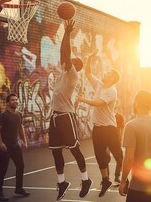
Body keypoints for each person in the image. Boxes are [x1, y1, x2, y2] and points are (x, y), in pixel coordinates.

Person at [48, 19, 92, 201]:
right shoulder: (64, 73)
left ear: (74, 65)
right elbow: (62, 52)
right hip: (55, 117)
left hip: (66, 116)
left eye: (69, 60)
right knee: (56, 151)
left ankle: (86, 179)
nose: (64, 61)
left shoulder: (73, 75)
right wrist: (65, 33)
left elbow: (66, 54)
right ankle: (62, 182)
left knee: (74, 150)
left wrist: (67, 33)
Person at [76, 49, 123, 197]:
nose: (105, 73)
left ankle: (126, 178)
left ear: (113, 78)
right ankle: (106, 180)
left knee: (118, 155)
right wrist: (89, 58)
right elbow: (88, 73)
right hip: (97, 128)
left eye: (108, 72)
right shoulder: (99, 84)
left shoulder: (112, 91)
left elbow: (98, 103)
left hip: (109, 128)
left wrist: (83, 99)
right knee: (99, 156)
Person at [0, 93, 30, 201]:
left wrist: (24, 141)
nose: (15, 101)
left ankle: (19, 188)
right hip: (5, 147)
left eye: (16, 99)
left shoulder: (19, 114)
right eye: (13, 100)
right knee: (3, 169)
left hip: (15, 146)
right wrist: (0, 143)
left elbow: (20, 128)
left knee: (21, 166)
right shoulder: (4, 115)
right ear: (8, 103)